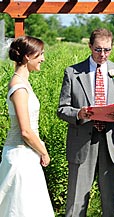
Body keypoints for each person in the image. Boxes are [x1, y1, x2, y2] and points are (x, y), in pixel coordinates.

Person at [57, 28, 114, 217]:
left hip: (110, 143)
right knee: (76, 204)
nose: (103, 55)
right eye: (98, 50)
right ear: (90, 46)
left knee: (110, 204)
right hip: (82, 143)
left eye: (107, 50)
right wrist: (79, 114)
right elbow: (62, 109)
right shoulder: (73, 72)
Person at [0, 36, 54, 217]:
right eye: (40, 54)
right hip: (20, 156)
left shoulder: (23, 83)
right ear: (27, 57)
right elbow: (25, 131)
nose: (43, 59)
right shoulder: (19, 88)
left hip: (27, 155)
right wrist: (44, 151)